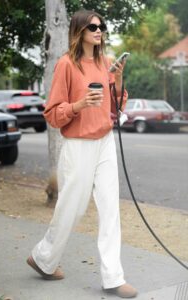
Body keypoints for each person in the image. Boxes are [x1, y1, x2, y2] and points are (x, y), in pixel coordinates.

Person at [27, 9, 137, 299]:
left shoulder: (105, 63)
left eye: (101, 26)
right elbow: (52, 114)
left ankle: (113, 277)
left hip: (105, 142)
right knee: (71, 208)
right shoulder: (65, 65)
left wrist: (119, 80)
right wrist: (79, 105)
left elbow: (116, 108)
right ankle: (43, 258)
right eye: (92, 27)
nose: (98, 31)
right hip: (77, 145)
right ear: (79, 31)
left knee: (110, 207)